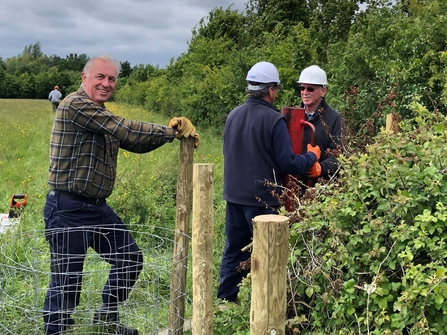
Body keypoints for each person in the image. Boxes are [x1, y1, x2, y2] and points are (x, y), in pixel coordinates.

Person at [42, 55, 199, 335]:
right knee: (66, 281)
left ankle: (106, 317)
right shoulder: (76, 105)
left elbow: (132, 141)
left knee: (129, 258)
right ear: (84, 78)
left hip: (97, 208)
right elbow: (125, 128)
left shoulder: (102, 116)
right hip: (67, 207)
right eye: (100, 77)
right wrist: (169, 132)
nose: (106, 83)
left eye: (111, 79)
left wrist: (170, 134)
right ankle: (56, 331)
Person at [217, 61, 321, 303]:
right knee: (266, 254)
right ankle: (263, 304)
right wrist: (312, 156)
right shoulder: (274, 120)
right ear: (271, 89)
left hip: (233, 197)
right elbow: (288, 163)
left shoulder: (233, 114)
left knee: (233, 252)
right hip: (262, 202)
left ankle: (226, 302)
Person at [297, 65, 344, 187]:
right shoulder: (293, 117)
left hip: (321, 190)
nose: (305, 92)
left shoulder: (334, 119)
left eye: (310, 89)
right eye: (302, 88)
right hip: (292, 186)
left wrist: (321, 168)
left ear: (323, 91)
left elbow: (340, 156)